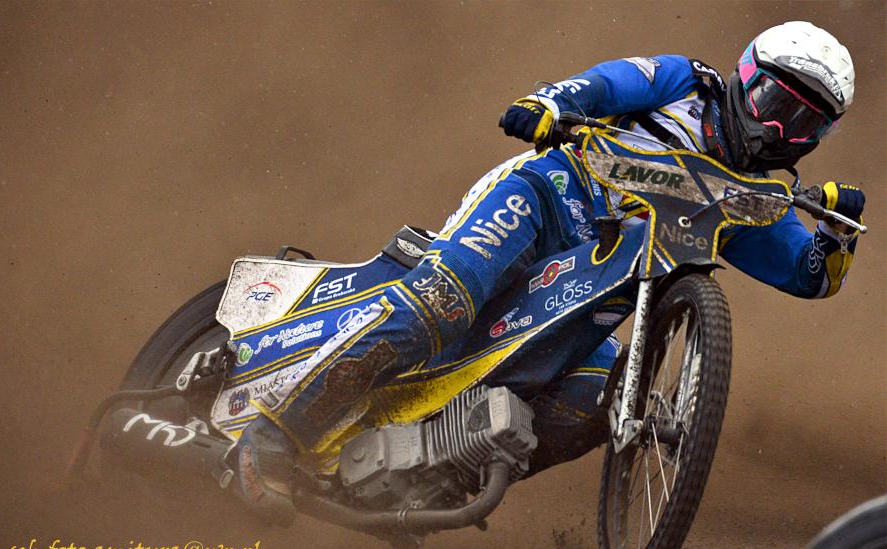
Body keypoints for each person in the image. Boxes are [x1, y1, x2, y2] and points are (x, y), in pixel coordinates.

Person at [235, 21, 866, 521]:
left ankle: (426, 484)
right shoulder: (685, 82)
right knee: (443, 303)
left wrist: (835, 233)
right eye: (775, 102)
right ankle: (272, 437)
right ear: (744, 76)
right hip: (544, 200)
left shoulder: (754, 202)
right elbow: (608, 85)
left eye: (805, 123)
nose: (779, 129)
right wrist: (548, 103)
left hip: (592, 287)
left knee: (596, 399)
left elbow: (809, 275)